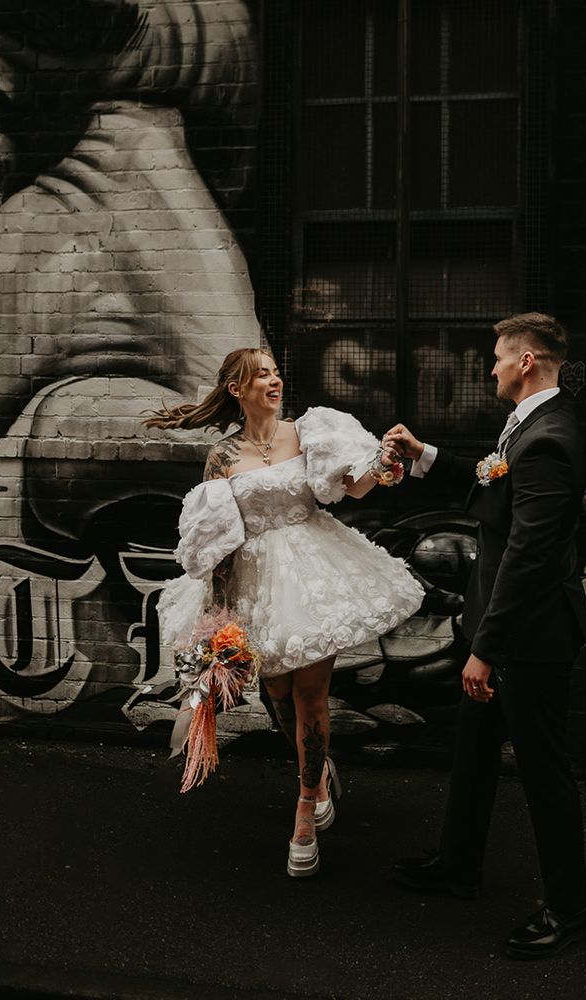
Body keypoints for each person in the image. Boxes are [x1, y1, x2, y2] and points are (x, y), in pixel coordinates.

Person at [145, 347, 424, 878]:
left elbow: (357, 485)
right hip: (255, 582)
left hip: (315, 574)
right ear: (237, 388)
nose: (274, 381)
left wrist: (386, 467)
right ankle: (317, 775)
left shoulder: (311, 432)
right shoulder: (222, 457)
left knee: (309, 692)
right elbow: (218, 540)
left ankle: (303, 811)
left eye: (276, 372)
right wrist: (219, 619)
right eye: (262, 375)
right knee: (277, 695)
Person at [384, 312, 586, 959]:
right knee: (473, 756)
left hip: (528, 641)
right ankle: (458, 866)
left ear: (527, 360)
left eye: (499, 357)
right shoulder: (526, 426)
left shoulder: (548, 438)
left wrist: (485, 650)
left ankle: (568, 910)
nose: (491, 367)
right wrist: (426, 457)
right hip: (499, 629)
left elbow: (530, 557)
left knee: (543, 773)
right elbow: (491, 484)